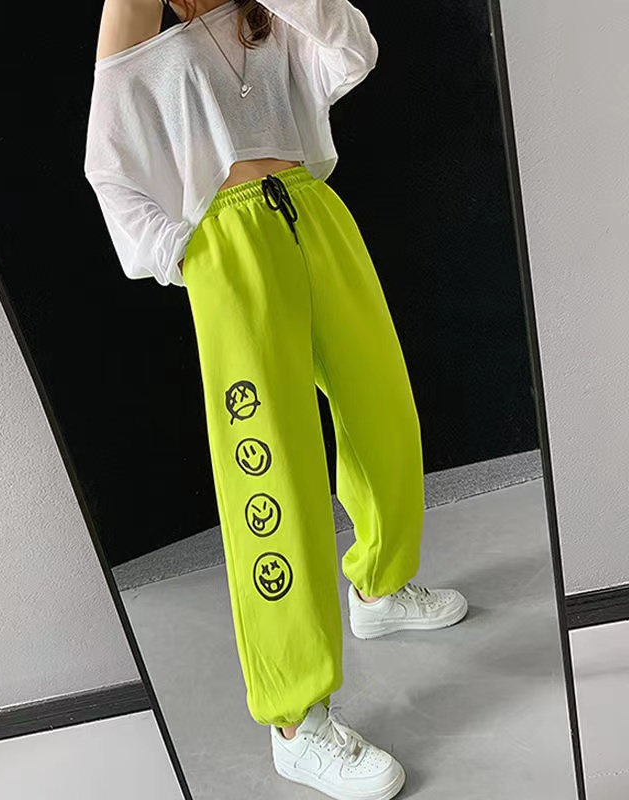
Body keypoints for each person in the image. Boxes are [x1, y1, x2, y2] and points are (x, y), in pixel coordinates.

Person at [85, 1, 468, 798]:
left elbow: (353, 49)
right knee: (271, 474)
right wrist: (183, 252)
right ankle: (296, 723)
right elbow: (107, 159)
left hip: (313, 212)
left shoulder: (267, 12)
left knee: (384, 413)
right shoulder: (136, 11)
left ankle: (379, 586)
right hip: (228, 243)